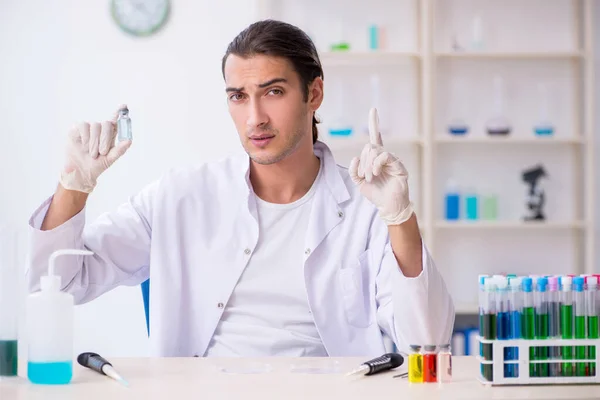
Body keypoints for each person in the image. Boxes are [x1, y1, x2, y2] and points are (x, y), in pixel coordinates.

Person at [26, 19, 454, 357]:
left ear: (314, 93)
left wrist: (400, 218)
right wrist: (74, 186)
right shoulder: (180, 197)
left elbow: (428, 342)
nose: (255, 118)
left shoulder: (367, 208)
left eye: (273, 92)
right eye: (238, 96)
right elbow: (62, 285)